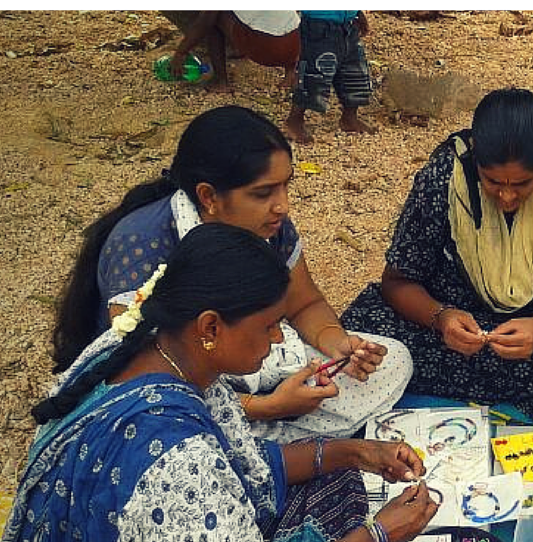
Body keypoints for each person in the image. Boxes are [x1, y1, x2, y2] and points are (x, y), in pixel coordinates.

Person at [0, 224, 439, 542]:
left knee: (339, 477)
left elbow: (243, 463)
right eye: (267, 326)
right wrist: (373, 538)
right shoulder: (177, 459)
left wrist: (356, 451)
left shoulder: (153, 345)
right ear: (209, 328)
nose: (280, 338)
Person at [51, 105, 410, 441]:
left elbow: (303, 304)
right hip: (179, 391)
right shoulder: (143, 245)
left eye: (287, 186)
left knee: (394, 360)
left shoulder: (273, 226)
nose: (282, 205)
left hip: (251, 359)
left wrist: (339, 346)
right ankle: (271, 445)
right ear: (208, 196)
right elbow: (146, 379)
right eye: (263, 192)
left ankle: (266, 443)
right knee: (168, 430)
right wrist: (266, 407)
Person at [340, 87, 533, 420]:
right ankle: (529, 393)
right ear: (476, 154)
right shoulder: (443, 174)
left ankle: (453, 388)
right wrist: (441, 318)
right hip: (455, 329)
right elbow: (398, 282)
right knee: (364, 329)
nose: (507, 197)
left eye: (522, 184)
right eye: (492, 181)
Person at [284, 11, 375, 142]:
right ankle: (294, 120)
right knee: (313, 76)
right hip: (318, 25)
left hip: (348, 24)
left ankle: (349, 118)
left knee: (354, 73)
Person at [169, 11, 301, 93]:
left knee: (212, 17)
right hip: (297, 45)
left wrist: (181, 52)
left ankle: (221, 81)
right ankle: (290, 73)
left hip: (266, 50)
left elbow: (204, 23)